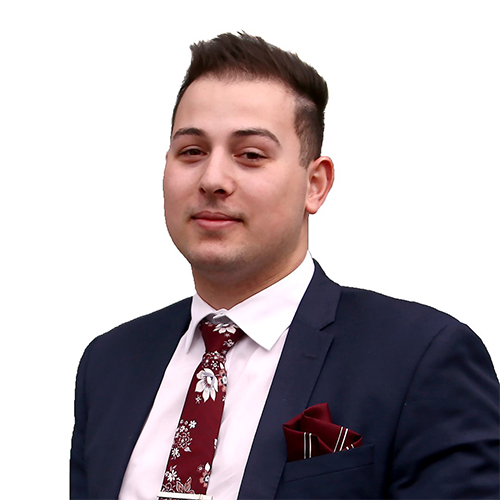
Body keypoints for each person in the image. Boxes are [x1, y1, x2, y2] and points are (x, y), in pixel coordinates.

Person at [70, 32, 499, 500]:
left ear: (315, 184)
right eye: (191, 151)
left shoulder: (419, 358)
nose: (213, 179)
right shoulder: (110, 364)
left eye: (250, 155)